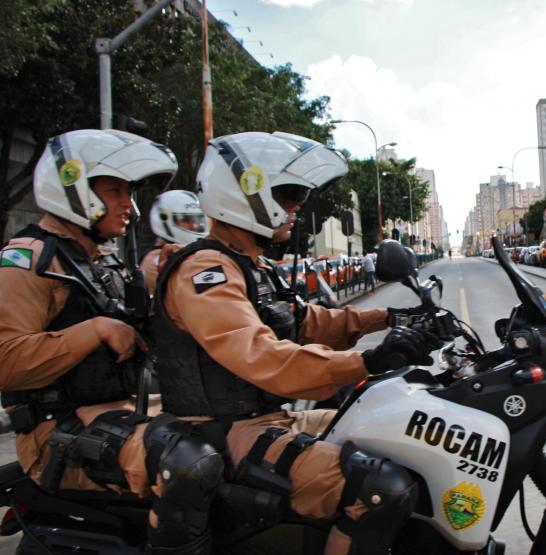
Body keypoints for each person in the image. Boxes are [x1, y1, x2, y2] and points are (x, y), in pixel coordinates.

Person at [152, 131, 436, 555]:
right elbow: (258, 354)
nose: (296, 206)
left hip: (268, 418)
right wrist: (367, 361)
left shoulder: (251, 266)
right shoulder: (205, 269)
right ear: (244, 194)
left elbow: (306, 321)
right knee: (381, 488)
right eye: (287, 194)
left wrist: (392, 318)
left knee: (401, 429)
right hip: (225, 431)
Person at [0, 129, 223, 554]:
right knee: (186, 463)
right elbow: (5, 361)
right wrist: (93, 331)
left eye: (130, 192)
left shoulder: (100, 261)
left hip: (115, 412)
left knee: (227, 435)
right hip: (55, 433)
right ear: (75, 190)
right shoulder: (29, 262)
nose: (131, 207)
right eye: (116, 191)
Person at [140, 189, 209, 292]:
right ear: (164, 218)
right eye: (185, 219)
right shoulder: (155, 261)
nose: (194, 225)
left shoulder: (187, 253)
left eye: (197, 219)